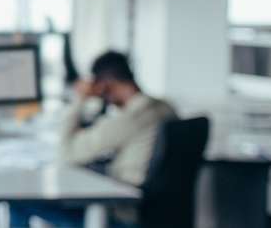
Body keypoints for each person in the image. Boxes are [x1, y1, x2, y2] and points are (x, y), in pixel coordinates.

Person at [13, 51, 178, 227]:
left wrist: (80, 99)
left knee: (18, 203)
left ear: (104, 85)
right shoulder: (165, 107)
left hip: (120, 217)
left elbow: (67, 154)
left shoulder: (129, 120)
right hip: (151, 211)